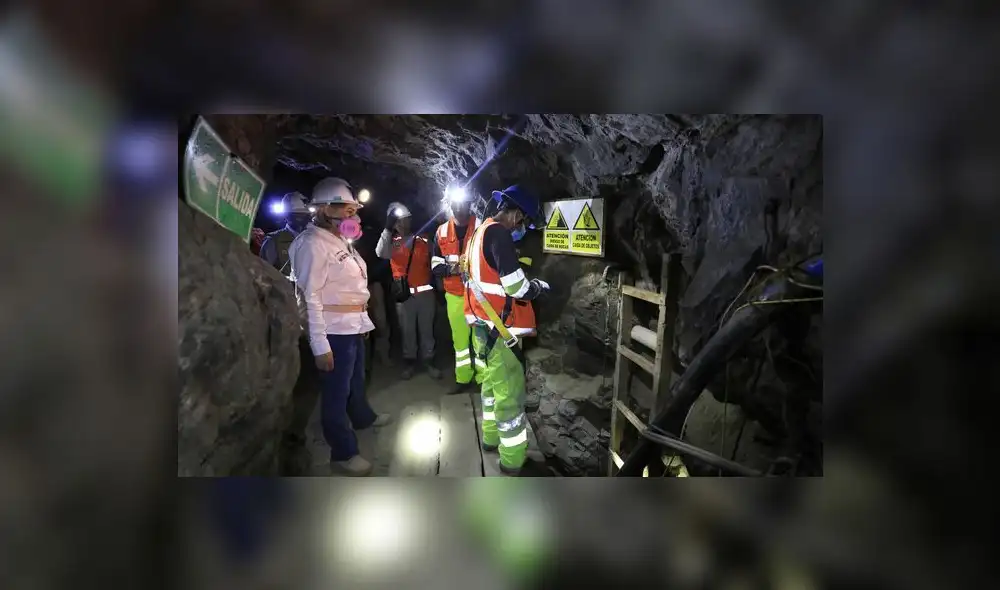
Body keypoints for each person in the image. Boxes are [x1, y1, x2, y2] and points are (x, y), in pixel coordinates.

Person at [288, 177, 391, 476]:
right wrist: (320, 345)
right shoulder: (311, 245)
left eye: (352, 210)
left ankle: (362, 417)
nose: (351, 217)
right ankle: (343, 453)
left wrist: (362, 320)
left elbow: (352, 285)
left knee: (356, 380)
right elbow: (310, 298)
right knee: (335, 393)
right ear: (322, 211)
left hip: (351, 326)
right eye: (345, 210)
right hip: (332, 331)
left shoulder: (338, 241)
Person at [463, 185, 550, 475]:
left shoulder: (478, 232)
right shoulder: (499, 233)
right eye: (522, 220)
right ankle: (513, 461)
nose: (520, 227)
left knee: (490, 386)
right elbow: (515, 286)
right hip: (502, 330)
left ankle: (490, 438)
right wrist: (536, 288)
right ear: (514, 214)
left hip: (481, 325)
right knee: (509, 397)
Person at [376, 202, 441, 380]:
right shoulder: (391, 243)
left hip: (426, 294)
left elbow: (436, 259)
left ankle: (429, 361)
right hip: (404, 296)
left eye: (407, 220)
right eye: (400, 221)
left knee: (427, 330)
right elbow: (381, 253)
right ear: (394, 223)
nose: (404, 224)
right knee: (408, 331)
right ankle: (410, 363)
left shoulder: (423, 239)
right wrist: (387, 230)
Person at [432, 188, 486, 394]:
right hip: (454, 295)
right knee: (460, 341)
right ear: (451, 206)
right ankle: (463, 379)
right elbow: (436, 266)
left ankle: (482, 379)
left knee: (480, 339)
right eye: (456, 204)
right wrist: (455, 269)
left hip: (479, 295)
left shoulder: (482, 227)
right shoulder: (442, 232)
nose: (460, 208)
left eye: (464, 204)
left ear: (470, 204)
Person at [260, 192, 311, 276]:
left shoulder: (314, 239)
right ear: (286, 216)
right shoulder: (273, 241)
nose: (303, 219)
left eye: (305, 215)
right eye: (297, 215)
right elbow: (264, 274)